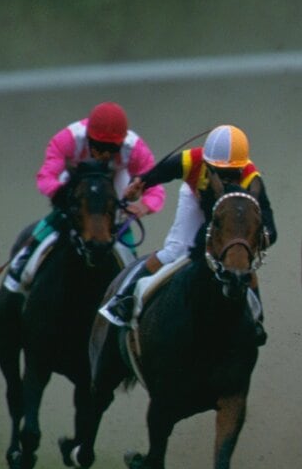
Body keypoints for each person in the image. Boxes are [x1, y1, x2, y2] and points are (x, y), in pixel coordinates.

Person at [100, 124, 277, 341]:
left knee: (241, 261)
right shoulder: (193, 159)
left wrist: (255, 239)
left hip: (230, 215)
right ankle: (124, 298)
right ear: (206, 163)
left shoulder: (251, 178)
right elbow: (161, 172)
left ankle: (257, 320)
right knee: (176, 250)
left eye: (232, 174)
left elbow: (270, 227)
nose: (225, 180)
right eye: (219, 173)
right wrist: (140, 185)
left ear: (242, 168)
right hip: (197, 201)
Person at [3, 102, 164, 291]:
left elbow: (156, 189)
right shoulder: (68, 139)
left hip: (113, 185)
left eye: (112, 149)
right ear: (88, 137)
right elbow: (46, 177)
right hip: (76, 183)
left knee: (122, 229)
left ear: (122, 142)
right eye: (98, 147)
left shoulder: (135, 149)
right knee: (56, 218)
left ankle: (130, 281)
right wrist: (62, 196)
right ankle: (23, 261)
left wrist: (143, 206)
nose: (104, 154)